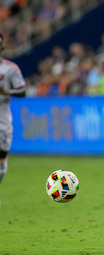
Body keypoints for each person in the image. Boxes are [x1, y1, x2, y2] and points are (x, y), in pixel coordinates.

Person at [0, 33, 26, 193]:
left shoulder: (11, 68)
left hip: (2, 120)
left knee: (2, 154)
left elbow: (22, 90)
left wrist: (6, 91)